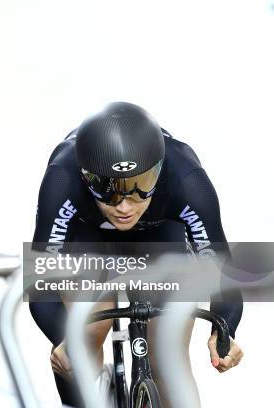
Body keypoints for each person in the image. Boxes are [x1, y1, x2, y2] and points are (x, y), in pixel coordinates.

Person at [29, 102, 244, 407]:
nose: (125, 206)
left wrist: (224, 330)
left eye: (141, 186)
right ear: (84, 176)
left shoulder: (187, 178)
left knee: (168, 359)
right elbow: (40, 277)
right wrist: (64, 339)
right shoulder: (62, 177)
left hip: (158, 236)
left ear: (160, 170)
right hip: (89, 236)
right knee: (83, 340)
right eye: (107, 188)